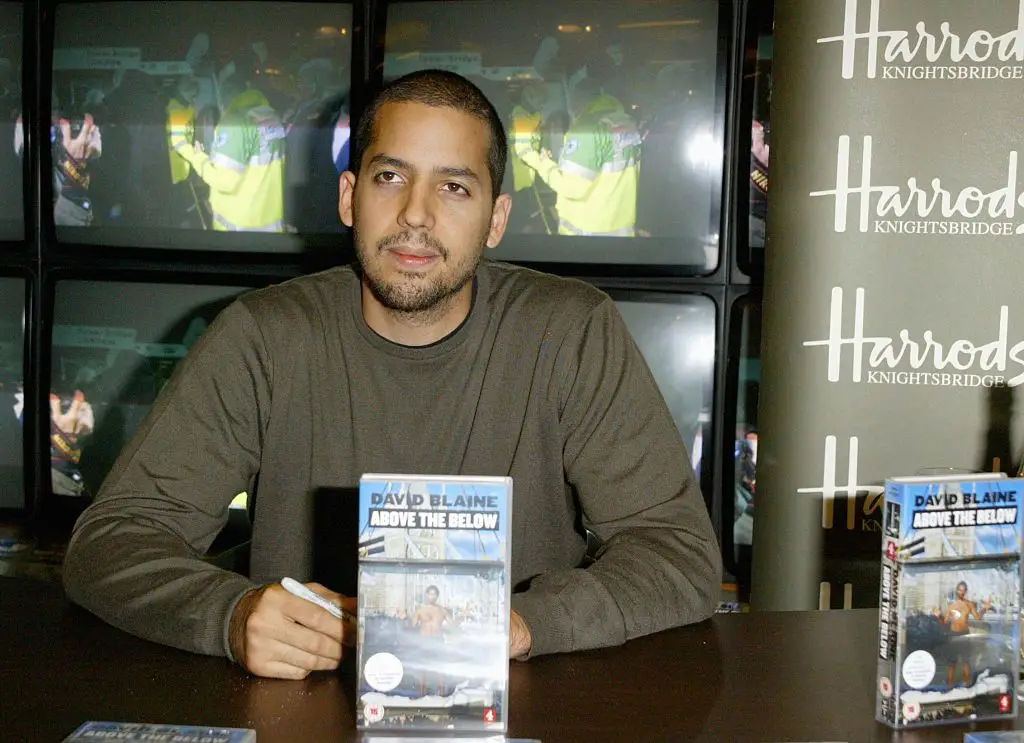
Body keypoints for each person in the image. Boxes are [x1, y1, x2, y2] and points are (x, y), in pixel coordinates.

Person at [63, 69, 721, 680]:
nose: (415, 213)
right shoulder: (263, 336)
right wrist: (230, 617)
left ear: (497, 219)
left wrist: (527, 624)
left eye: (454, 186)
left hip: (519, 700)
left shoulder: (572, 332)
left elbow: (680, 555)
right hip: (304, 707)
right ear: (349, 196)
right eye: (390, 177)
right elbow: (108, 546)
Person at [167, 60, 286, 233]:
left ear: (225, 96)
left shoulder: (234, 123)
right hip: (270, 224)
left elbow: (224, 181)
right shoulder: (270, 116)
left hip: (238, 227)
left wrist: (199, 158)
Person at [934, 580, 993, 687]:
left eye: (963, 590)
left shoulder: (969, 604)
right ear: (956, 591)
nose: (961, 592)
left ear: (966, 591)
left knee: (966, 662)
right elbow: (944, 622)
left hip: (964, 635)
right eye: (959, 590)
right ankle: (950, 687)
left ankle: (968, 686)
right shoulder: (951, 606)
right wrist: (938, 616)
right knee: (951, 664)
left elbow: (977, 617)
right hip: (953, 635)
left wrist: (985, 609)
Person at [410, 584, 457, 696]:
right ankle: (422, 694)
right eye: (430, 594)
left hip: (437, 641)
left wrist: (463, 615)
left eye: (434, 594)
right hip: (424, 641)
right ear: (427, 595)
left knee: (440, 668)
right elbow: (412, 626)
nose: (432, 596)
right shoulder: (420, 610)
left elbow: (454, 624)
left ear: (437, 596)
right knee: (423, 669)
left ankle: (441, 694)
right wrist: (405, 618)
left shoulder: (442, 610)